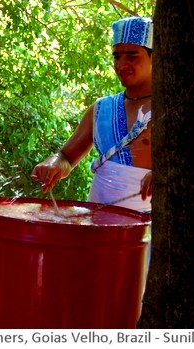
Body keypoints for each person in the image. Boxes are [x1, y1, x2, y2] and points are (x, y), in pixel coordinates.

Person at [32, 16, 153, 212]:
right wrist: (53, 164)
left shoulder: (173, 111)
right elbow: (65, 157)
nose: (121, 65)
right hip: (98, 227)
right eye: (116, 56)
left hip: (149, 233)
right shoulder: (101, 109)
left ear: (154, 57)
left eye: (132, 56)